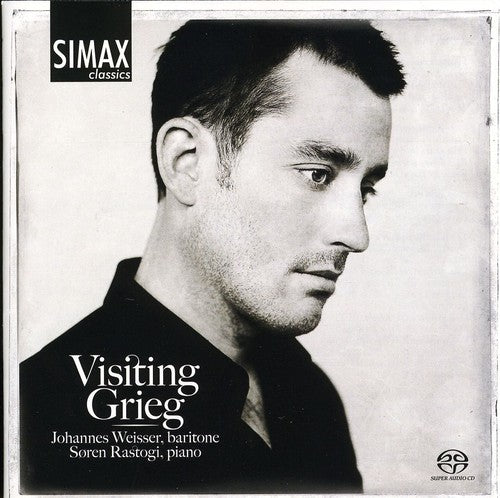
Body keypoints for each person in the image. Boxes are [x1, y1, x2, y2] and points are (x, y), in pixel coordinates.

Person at [20, 19, 406, 494]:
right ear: (187, 163)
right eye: (317, 175)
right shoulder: (34, 422)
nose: (356, 235)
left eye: (366, 190)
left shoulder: (310, 394)